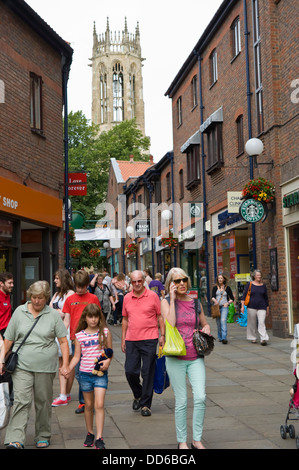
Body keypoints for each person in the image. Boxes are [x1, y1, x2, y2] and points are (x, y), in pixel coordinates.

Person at [0, 281, 69, 449]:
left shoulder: (52, 314)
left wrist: (65, 364)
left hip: (45, 367)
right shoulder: (19, 312)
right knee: (21, 401)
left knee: (43, 402)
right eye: (34, 297)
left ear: (46, 298)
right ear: (29, 296)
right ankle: (15, 438)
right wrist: (1, 360)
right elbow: (8, 340)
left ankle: (42, 435)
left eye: (41, 298)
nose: (37, 301)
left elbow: (63, 341)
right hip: (22, 365)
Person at [161, 267, 211, 450]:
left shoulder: (195, 302)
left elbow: (204, 323)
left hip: (195, 356)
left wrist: (206, 328)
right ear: (171, 284)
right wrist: (173, 299)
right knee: (181, 400)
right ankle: (182, 440)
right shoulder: (165, 302)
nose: (181, 283)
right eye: (177, 281)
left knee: (200, 397)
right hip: (175, 357)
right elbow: (171, 324)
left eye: (184, 280)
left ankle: (196, 439)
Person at [61, 303, 112, 449]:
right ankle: (90, 433)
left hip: (100, 374)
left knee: (99, 404)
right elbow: (76, 357)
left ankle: (99, 437)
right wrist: (68, 369)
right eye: (90, 316)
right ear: (86, 318)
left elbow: (109, 351)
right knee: (88, 406)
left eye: (96, 316)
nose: (93, 320)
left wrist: (107, 361)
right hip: (84, 374)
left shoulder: (105, 333)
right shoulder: (79, 335)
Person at [121, 270, 165, 417]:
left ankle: (146, 405)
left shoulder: (153, 296)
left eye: (139, 281)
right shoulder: (127, 298)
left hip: (150, 339)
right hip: (131, 339)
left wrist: (162, 335)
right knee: (130, 371)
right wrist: (123, 339)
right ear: (131, 282)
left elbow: (160, 317)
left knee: (147, 372)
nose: (137, 284)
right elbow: (125, 320)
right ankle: (138, 394)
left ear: (143, 280)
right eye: (134, 281)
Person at [63, 270, 101, 414]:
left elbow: (99, 317)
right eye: (78, 287)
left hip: (92, 339)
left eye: (83, 287)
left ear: (87, 284)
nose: (80, 290)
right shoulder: (70, 299)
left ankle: (85, 401)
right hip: (76, 339)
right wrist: (61, 335)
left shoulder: (92, 298)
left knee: (91, 369)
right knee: (79, 372)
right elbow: (67, 319)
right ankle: (85, 400)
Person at [50, 269, 75, 407]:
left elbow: (67, 315)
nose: (55, 281)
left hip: (65, 332)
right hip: (57, 332)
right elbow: (49, 309)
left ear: (63, 279)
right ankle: (65, 393)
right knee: (62, 363)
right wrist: (58, 313)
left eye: (57, 278)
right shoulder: (57, 294)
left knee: (66, 364)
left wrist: (59, 314)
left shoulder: (70, 294)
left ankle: (63, 395)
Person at [241, 269, 269, 345]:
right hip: (251, 306)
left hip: (262, 307)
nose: (259, 276)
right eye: (257, 275)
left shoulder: (263, 286)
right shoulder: (249, 284)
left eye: (260, 275)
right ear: (254, 276)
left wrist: (267, 308)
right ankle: (252, 337)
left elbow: (266, 297)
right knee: (252, 323)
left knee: (261, 322)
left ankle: (263, 338)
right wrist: (242, 306)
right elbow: (244, 296)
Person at [211, 274, 234, 344]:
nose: (220, 279)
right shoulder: (215, 288)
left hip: (224, 307)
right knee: (218, 323)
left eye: (221, 278)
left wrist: (227, 303)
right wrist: (215, 301)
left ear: (223, 279)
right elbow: (212, 297)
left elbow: (232, 298)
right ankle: (220, 337)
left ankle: (224, 338)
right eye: (219, 278)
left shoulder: (227, 288)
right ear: (217, 280)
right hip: (217, 307)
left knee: (223, 321)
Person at [0, 272, 14, 339]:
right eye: (9, 283)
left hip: (8, 332)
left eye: (12, 283)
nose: (12, 285)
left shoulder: (8, 295)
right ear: (1, 283)